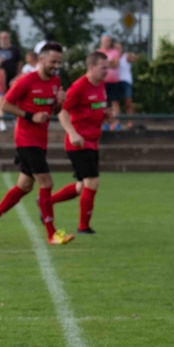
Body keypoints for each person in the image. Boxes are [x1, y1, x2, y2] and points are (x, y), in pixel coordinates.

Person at [0, 42, 73, 245]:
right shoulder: (26, 80)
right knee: (46, 183)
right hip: (26, 140)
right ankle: (52, 234)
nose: (56, 66)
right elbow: (5, 104)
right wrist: (31, 116)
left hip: (41, 141)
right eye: (53, 62)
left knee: (24, 186)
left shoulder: (55, 81)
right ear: (41, 60)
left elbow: (55, 111)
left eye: (59, 62)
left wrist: (60, 102)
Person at [51, 51, 109, 234]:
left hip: (92, 141)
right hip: (79, 143)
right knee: (92, 181)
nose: (106, 71)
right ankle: (83, 227)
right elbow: (62, 111)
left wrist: (106, 115)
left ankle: (46, 202)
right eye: (103, 67)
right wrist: (72, 133)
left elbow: (94, 109)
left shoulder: (101, 85)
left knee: (81, 186)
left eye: (107, 67)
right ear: (91, 67)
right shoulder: (79, 86)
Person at [98, 34, 121, 130]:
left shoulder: (115, 52)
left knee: (115, 102)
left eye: (109, 40)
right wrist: (110, 62)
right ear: (101, 41)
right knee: (103, 103)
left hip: (114, 81)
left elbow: (116, 64)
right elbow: (98, 66)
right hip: (102, 82)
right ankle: (105, 123)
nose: (107, 42)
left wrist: (105, 63)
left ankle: (116, 122)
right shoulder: (98, 52)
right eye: (106, 40)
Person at [115, 42, 137, 129]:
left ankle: (130, 121)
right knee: (116, 103)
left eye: (119, 48)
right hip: (116, 81)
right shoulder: (113, 58)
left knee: (128, 102)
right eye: (116, 48)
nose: (117, 50)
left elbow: (135, 58)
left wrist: (132, 56)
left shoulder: (125, 56)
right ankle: (117, 121)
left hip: (126, 81)